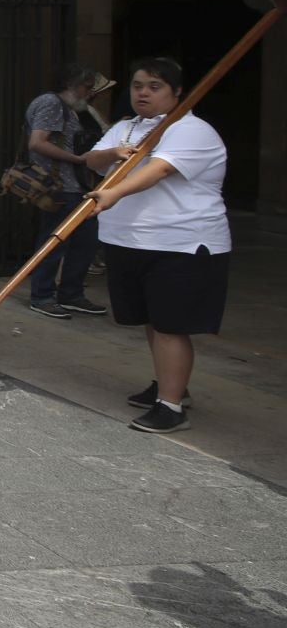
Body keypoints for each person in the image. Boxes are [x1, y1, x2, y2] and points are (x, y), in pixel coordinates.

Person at [84, 58, 228, 435]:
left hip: (179, 242)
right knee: (153, 320)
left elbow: (160, 169)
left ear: (177, 92)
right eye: (137, 85)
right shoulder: (127, 128)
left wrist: (113, 192)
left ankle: (172, 405)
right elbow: (92, 159)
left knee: (170, 326)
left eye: (154, 86)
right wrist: (113, 155)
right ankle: (169, 384)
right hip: (131, 241)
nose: (143, 92)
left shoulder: (190, 130)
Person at [24, 63, 108, 320]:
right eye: (86, 87)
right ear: (71, 84)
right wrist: (77, 159)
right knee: (55, 241)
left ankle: (70, 293)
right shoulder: (51, 104)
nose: (89, 92)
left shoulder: (68, 108)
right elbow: (38, 142)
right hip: (59, 185)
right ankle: (42, 294)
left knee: (85, 240)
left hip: (74, 185)